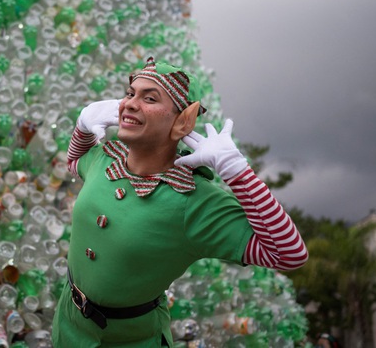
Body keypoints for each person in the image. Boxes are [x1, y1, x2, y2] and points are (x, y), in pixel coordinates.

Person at [52, 57, 308, 347]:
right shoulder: (105, 158)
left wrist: (238, 172)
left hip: (130, 339)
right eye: (129, 93)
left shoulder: (195, 201)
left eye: (149, 98)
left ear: (182, 121)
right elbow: (74, 162)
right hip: (68, 325)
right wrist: (84, 125)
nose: (130, 104)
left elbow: (288, 254)